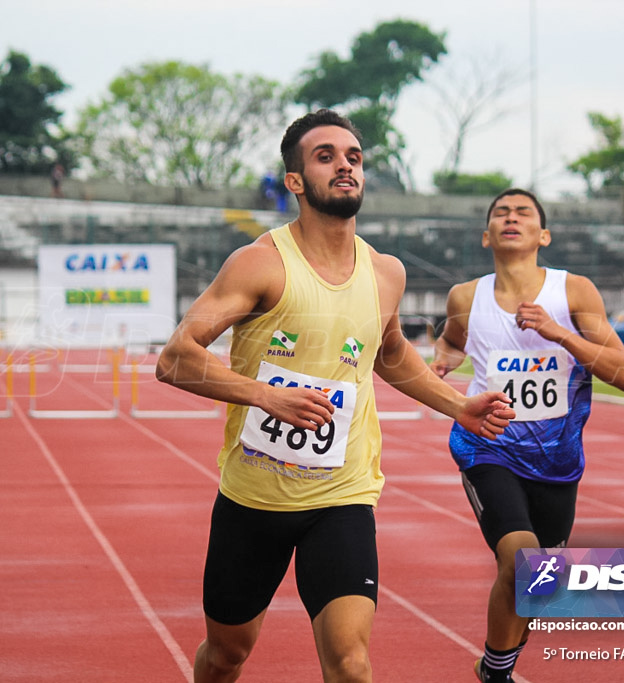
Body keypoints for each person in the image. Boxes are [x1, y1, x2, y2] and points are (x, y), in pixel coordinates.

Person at [155, 109, 515, 683]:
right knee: (227, 655)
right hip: (254, 500)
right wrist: (264, 396)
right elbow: (175, 357)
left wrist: (458, 406)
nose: (345, 166)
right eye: (326, 157)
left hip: (342, 494)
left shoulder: (385, 272)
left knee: (350, 662)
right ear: (295, 181)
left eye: (354, 157)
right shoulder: (260, 264)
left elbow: (390, 352)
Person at [429, 189, 624, 683]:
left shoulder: (573, 292)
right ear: (487, 235)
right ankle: (497, 674)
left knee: (540, 586)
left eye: (523, 213)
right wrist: (444, 359)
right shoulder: (465, 296)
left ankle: (498, 658)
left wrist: (559, 333)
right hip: (487, 446)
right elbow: (452, 338)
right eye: (500, 212)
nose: (511, 218)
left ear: (543, 235)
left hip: (557, 460)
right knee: (522, 558)